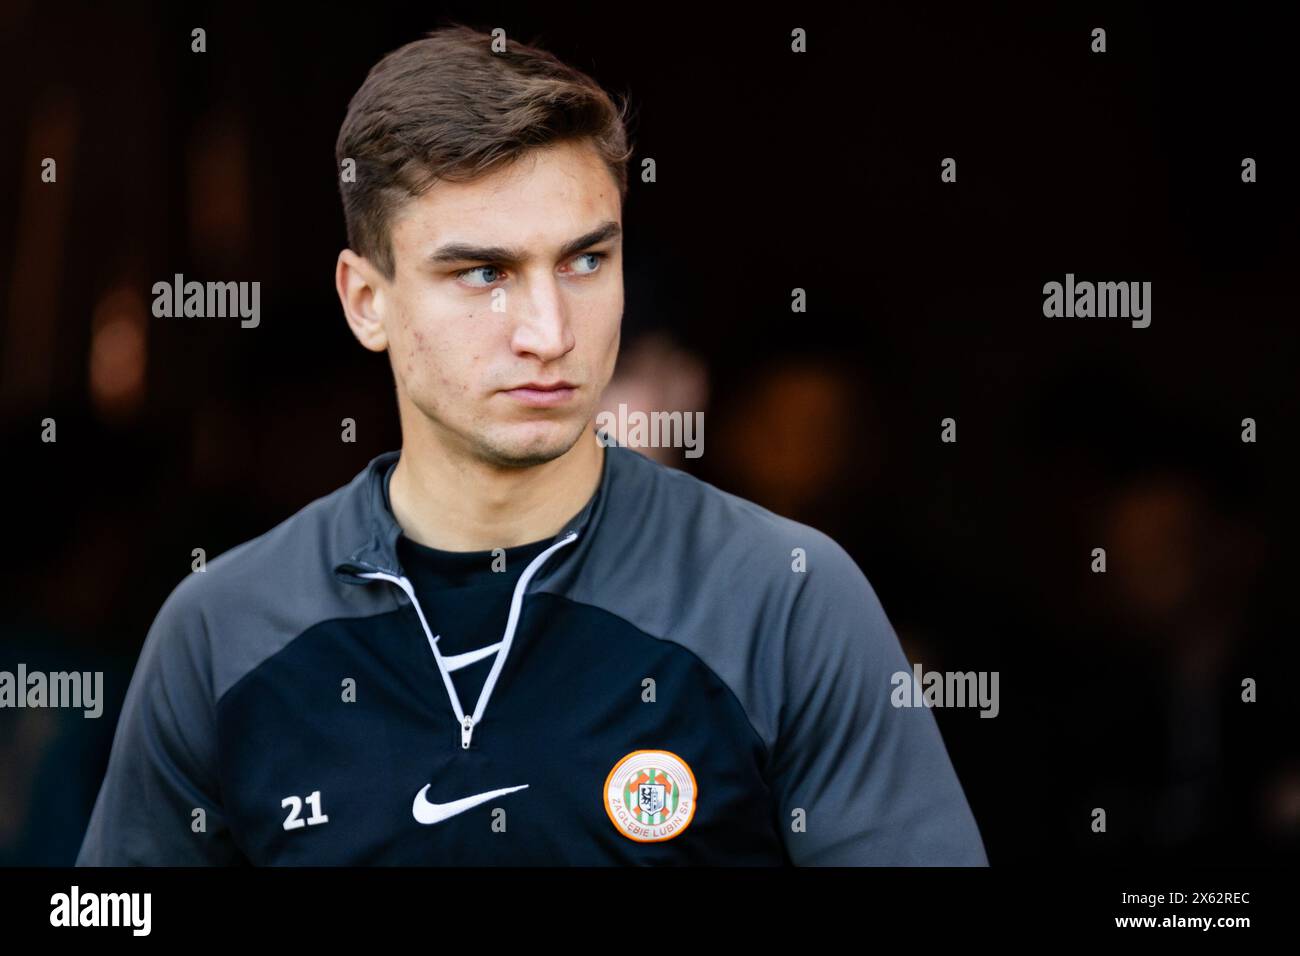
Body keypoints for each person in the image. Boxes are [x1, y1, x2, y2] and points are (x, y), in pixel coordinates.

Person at [76, 24, 987, 865]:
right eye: (484, 273)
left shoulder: (784, 598)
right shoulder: (222, 634)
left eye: (587, 260)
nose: (550, 331)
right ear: (367, 301)